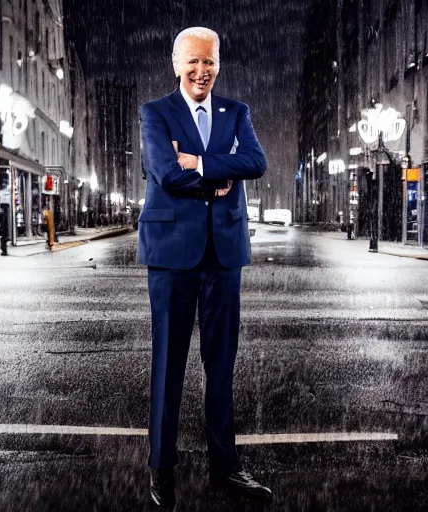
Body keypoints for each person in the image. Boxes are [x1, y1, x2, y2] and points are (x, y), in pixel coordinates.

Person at [138, 26, 270, 508]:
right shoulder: (155, 112)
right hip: (172, 253)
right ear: (176, 64)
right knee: (168, 363)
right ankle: (162, 467)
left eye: (209, 61)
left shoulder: (238, 112)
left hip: (224, 253)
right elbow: (163, 171)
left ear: (219, 64)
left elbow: (255, 162)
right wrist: (218, 171)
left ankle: (225, 466)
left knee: (222, 365)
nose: (202, 71)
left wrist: (198, 162)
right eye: (192, 61)